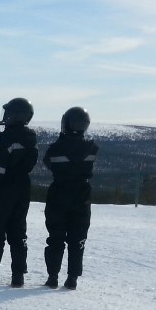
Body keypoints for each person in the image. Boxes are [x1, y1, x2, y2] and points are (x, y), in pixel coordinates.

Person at [0, 97, 38, 287]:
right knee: (19, 233)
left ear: (16, 116)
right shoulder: (30, 139)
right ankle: (18, 276)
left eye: (9, 113)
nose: (5, 117)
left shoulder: (8, 139)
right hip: (23, 188)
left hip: (3, 190)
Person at [42, 107, 99, 290]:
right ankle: (72, 278)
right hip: (82, 195)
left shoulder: (56, 148)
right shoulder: (92, 147)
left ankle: (52, 277)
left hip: (59, 194)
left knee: (55, 237)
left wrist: (62, 140)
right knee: (78, 239)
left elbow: (48, 162)